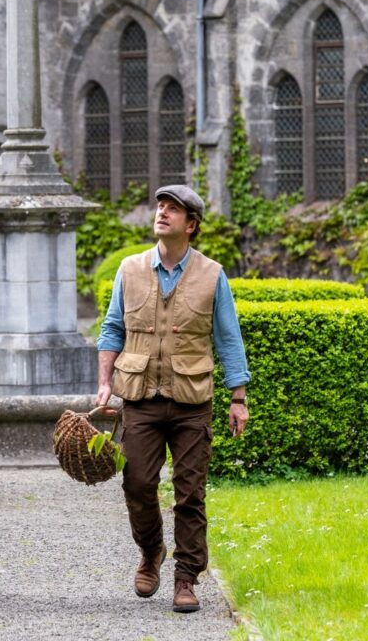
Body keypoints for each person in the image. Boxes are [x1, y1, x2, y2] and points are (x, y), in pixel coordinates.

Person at [96, 184, 250, 615]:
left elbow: (228, 338)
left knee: (190, 494)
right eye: (161, 206)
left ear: (191, 224)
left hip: (191, 400)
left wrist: (238, 396)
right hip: (140, 397)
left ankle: (187, 578)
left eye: (173, 209)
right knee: (138, 483)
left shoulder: (212, 274)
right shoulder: (128, 269)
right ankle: (151, 552)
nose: (162, 213)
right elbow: (112, 329)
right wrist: (105, 383)